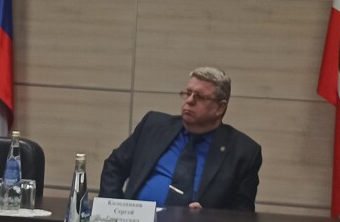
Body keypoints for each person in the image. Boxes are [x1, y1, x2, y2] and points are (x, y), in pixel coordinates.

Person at [99, 67, 262, 210]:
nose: (189, 101)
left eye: (200, 97)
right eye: (188, 93)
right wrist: (114, 211)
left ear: (220, 107)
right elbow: (114, 166)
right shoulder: (154, 126)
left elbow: (242, 216)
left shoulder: (243, 152)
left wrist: (210, 218)